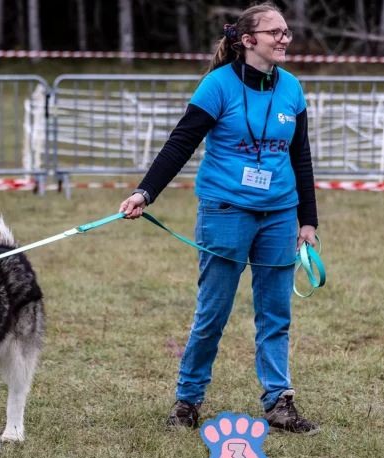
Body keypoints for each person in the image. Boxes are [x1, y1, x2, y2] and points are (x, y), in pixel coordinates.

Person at [119, 1, 320, 434]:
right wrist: (145, 192)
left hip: (280, 215)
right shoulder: (217, 86)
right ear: (248, 41)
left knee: (276, 314)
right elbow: (180, 145)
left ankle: (279, 401)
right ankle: (187, 401)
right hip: (226, 212)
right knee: (213, 312)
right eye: (275, 33)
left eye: (286, 32)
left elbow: (300, 157)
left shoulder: (292, 89)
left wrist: (308, 221)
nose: (284, 39)